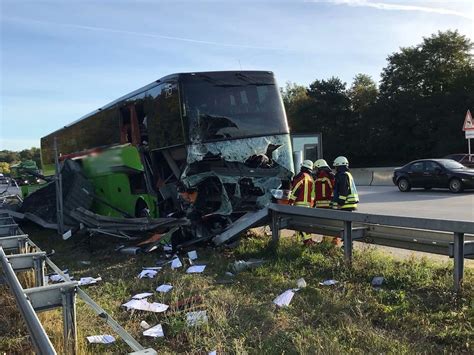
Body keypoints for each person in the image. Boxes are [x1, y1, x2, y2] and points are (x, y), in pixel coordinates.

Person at [289, 160, 315, 245]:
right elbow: (313, 193)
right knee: (305, 223)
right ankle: (303, 241)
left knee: (300, 224)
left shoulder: (302, 176)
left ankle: (307, 241)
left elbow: (296, 188)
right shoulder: (311, 178)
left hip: (299, 204)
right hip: (308, 205)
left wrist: (291, 200)